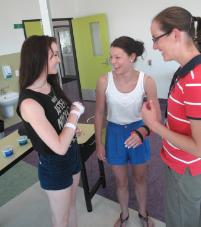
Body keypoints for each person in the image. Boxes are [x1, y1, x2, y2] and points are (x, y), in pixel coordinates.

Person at [141, 6, 201, 227]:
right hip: (175, 163)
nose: (154, 46)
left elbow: (198, 147)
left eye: (156, 39)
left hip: (187, 170)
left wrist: (154, 125)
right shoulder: (184, 70)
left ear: (175, 34)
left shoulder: (196, 79)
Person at [17, 35, 85, 227]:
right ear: (38, 58)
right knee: (60, 219)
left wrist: (71, 128)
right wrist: (74, 115)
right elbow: (59, 147)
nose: (58, 59)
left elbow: (60, 123)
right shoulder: (29, 102)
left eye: (57, 54)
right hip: (54, 164)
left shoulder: (51, 84)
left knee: (72, 206)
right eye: (53, 55)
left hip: (72, 154)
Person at [95, 36, 160, 227]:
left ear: (132, 57)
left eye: (118, 57)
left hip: (138, 131)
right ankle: (124, 215)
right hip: (114, 133)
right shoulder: (103, 81)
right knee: (121, 181)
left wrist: (142, 132)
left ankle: (143, 213)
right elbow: (99, 112)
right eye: (111, 57)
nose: (113, 62)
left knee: (140, 178)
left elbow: (155, 116)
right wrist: (99, 142)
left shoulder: (146, 81)